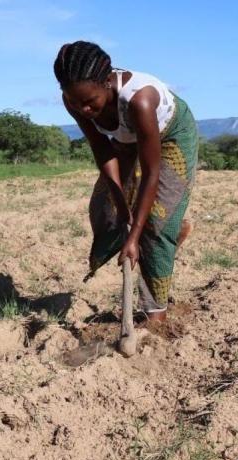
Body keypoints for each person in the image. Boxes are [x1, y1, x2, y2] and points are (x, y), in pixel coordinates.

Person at [54, 40, 196, 324]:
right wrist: (121, 206)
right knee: (104, 211)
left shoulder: (139, 100)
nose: (83, 109)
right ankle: (154, 237)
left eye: (89, 101)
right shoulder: (74, 101)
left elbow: (151, 173)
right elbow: (102, 149)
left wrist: (133, 237)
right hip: (126, 141)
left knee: (155, 225)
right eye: (74, 101)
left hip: (169, 137)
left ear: (107, 81)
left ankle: (155, 313)